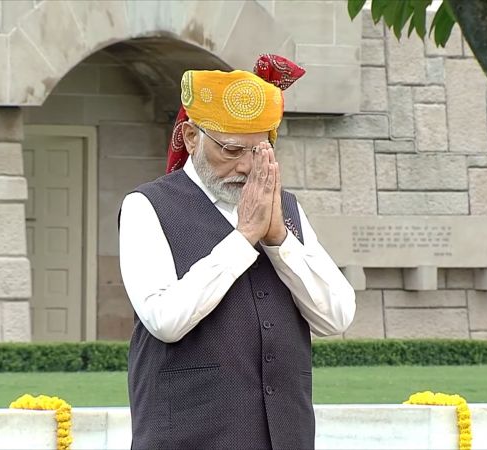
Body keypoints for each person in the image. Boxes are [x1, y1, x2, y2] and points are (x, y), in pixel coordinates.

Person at [118, 55, 356, 449]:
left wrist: (278, 239)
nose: (246, 166)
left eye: (258, 151)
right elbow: (164, 319)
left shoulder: (287, 209)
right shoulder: (147, 206)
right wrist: (244, 236)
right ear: (192, 137)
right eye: (231, 150)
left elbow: (337, 317)